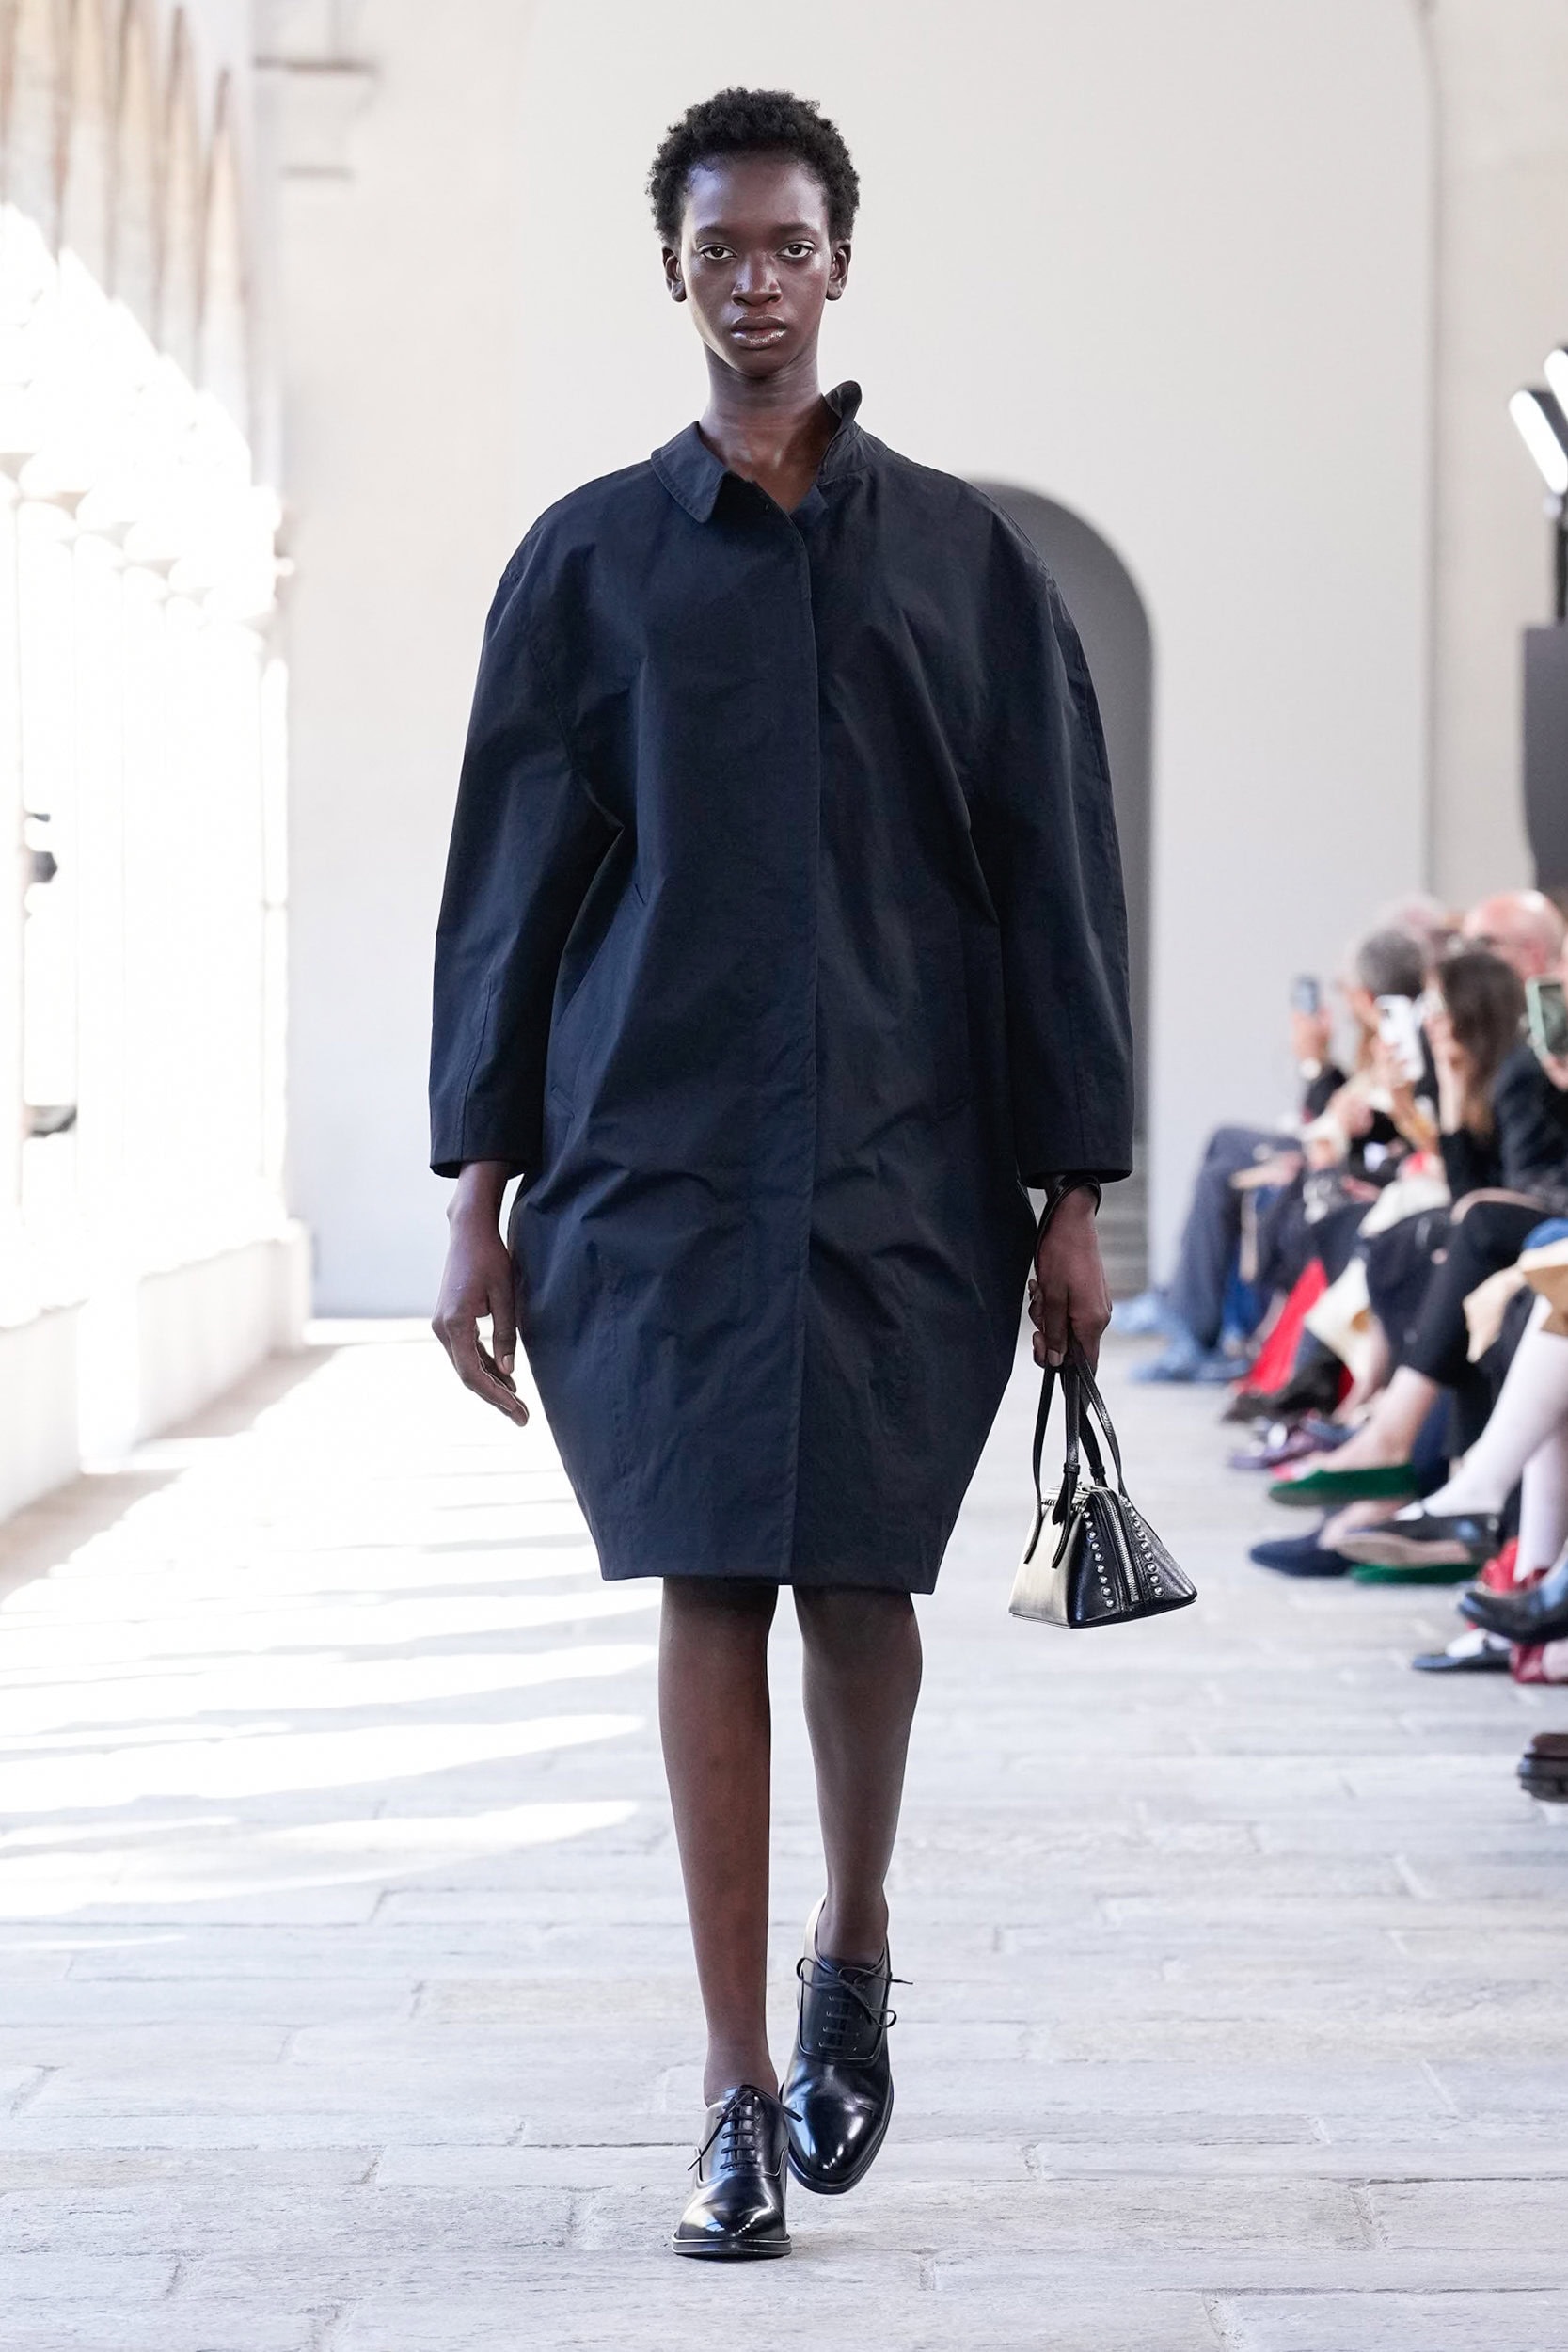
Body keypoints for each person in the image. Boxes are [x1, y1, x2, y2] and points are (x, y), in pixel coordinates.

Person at [426, 88, 1132, 2263]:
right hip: (650, 1164)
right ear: (674, 270)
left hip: (909, 1160)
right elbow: (510, 890)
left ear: (840, 262)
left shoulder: (969, 565)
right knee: (707, 1579)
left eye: (788, 242)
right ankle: (732, 2080)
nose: (755, 278)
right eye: (719, 244)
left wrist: (1075, 1187)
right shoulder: (586, 562)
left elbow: (1052, 882)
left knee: (862, 1585)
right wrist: (474, 1188)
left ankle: (857, 1935)